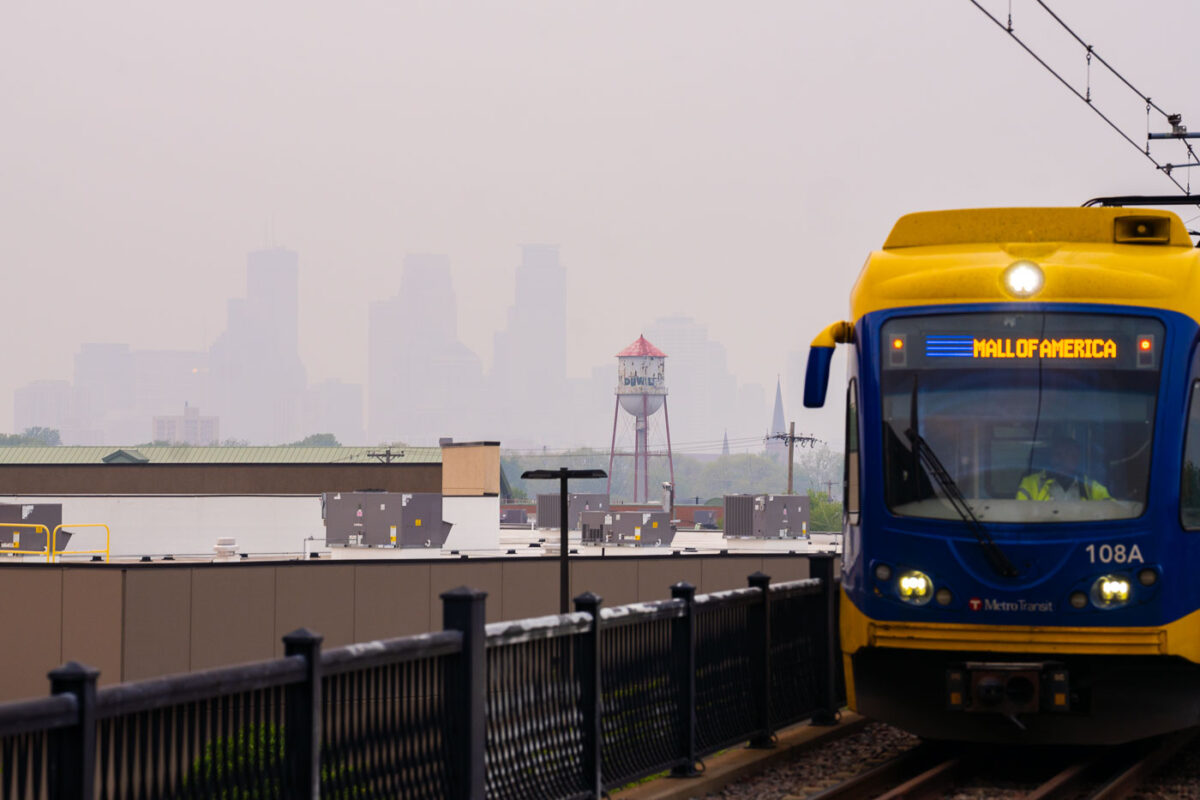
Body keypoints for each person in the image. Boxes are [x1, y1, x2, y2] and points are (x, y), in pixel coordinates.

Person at [1016, 437, 1111, 501]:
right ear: (1051, 457)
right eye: (1057, 454)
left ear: (1076, 459)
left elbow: (1112, 509)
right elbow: (1019, 515)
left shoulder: (1089, 486)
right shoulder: (1030, 483)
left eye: (1067, 455)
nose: (1061, 460)